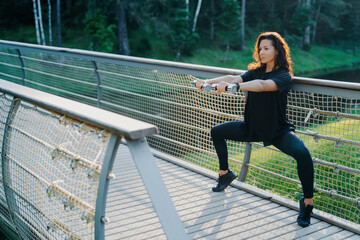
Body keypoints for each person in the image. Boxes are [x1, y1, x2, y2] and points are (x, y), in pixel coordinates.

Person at [195, 32, 314, 228]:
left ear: (277, 50)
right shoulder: (255, 71)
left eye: (266, 48)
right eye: (260, 49)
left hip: (277, 131)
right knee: (216, 131)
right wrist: (207, 83)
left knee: (303, 155)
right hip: (251, 128)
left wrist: (234, 87)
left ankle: (308, 204)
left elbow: (260, 86)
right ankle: (225, 174)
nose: (262, 52)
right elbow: (233, 77)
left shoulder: (283, 76)